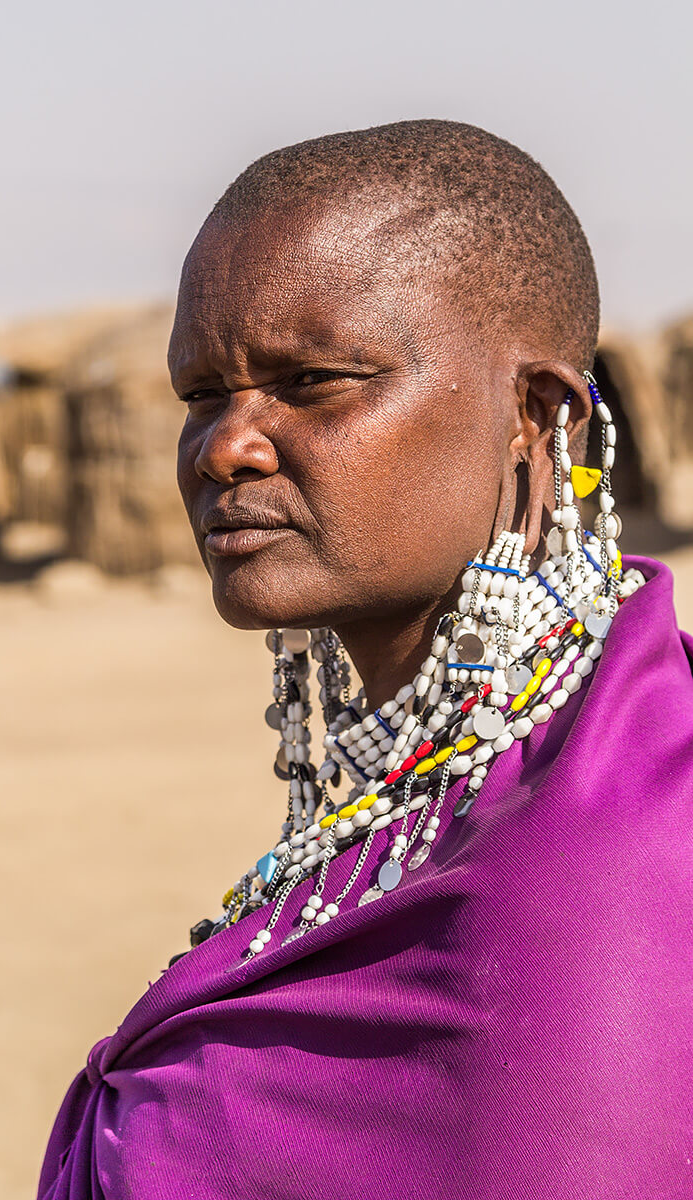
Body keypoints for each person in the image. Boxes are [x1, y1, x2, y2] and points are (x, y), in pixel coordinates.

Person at [38, 120, 692, 1199]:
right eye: (201, 392)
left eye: (316, 380)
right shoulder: (506, 775)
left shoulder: (591, 879)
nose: (226, 445)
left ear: (538, 417)